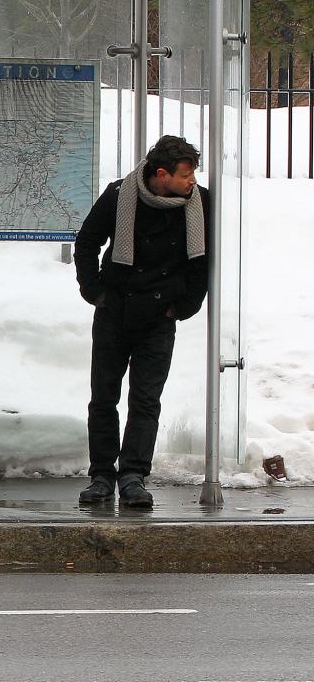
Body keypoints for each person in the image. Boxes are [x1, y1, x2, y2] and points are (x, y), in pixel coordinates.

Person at [74, 135, 210, 508]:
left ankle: (134, 474)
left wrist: (183, 306)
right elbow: (87, 242)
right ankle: (102, 474)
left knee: (146, 399)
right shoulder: (119, 196)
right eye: (186, 174)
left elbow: (202, 264)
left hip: (159, 316)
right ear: (161, 174)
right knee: (104, 397)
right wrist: (94, 291)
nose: (192, 181)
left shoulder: (200, 204)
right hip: (115, 311)